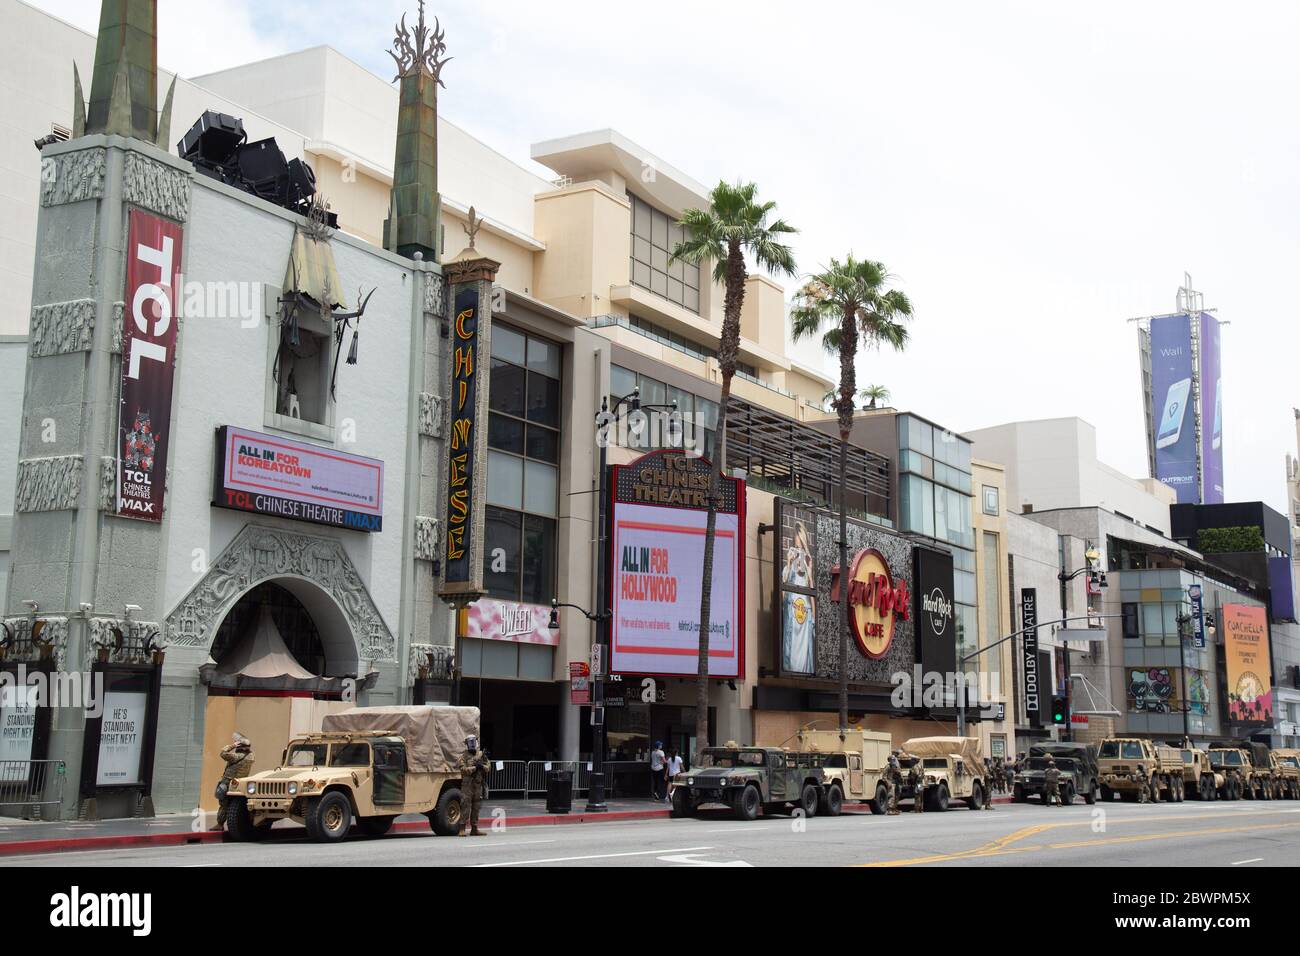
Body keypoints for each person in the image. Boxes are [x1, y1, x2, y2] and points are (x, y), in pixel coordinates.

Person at [214, 732, 254, 831]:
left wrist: (232, 745)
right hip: (239, 784)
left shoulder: (237, 756)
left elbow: (223, 753)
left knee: (223, 804)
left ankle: (220, 824)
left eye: (238, 743)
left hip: (229, 782)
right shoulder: (250, 756)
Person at [455, 734, 490, 835]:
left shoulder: (480, 755)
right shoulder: (463, 756)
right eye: (469, 742)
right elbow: (462, 769)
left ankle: (474, 828)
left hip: (478, 785)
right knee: (465, 805)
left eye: (473, 741)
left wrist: (482, 766)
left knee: (476, 806)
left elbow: (488, 767)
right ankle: (462, 828)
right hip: (467, 785)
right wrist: (474, 768)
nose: (471, 744)